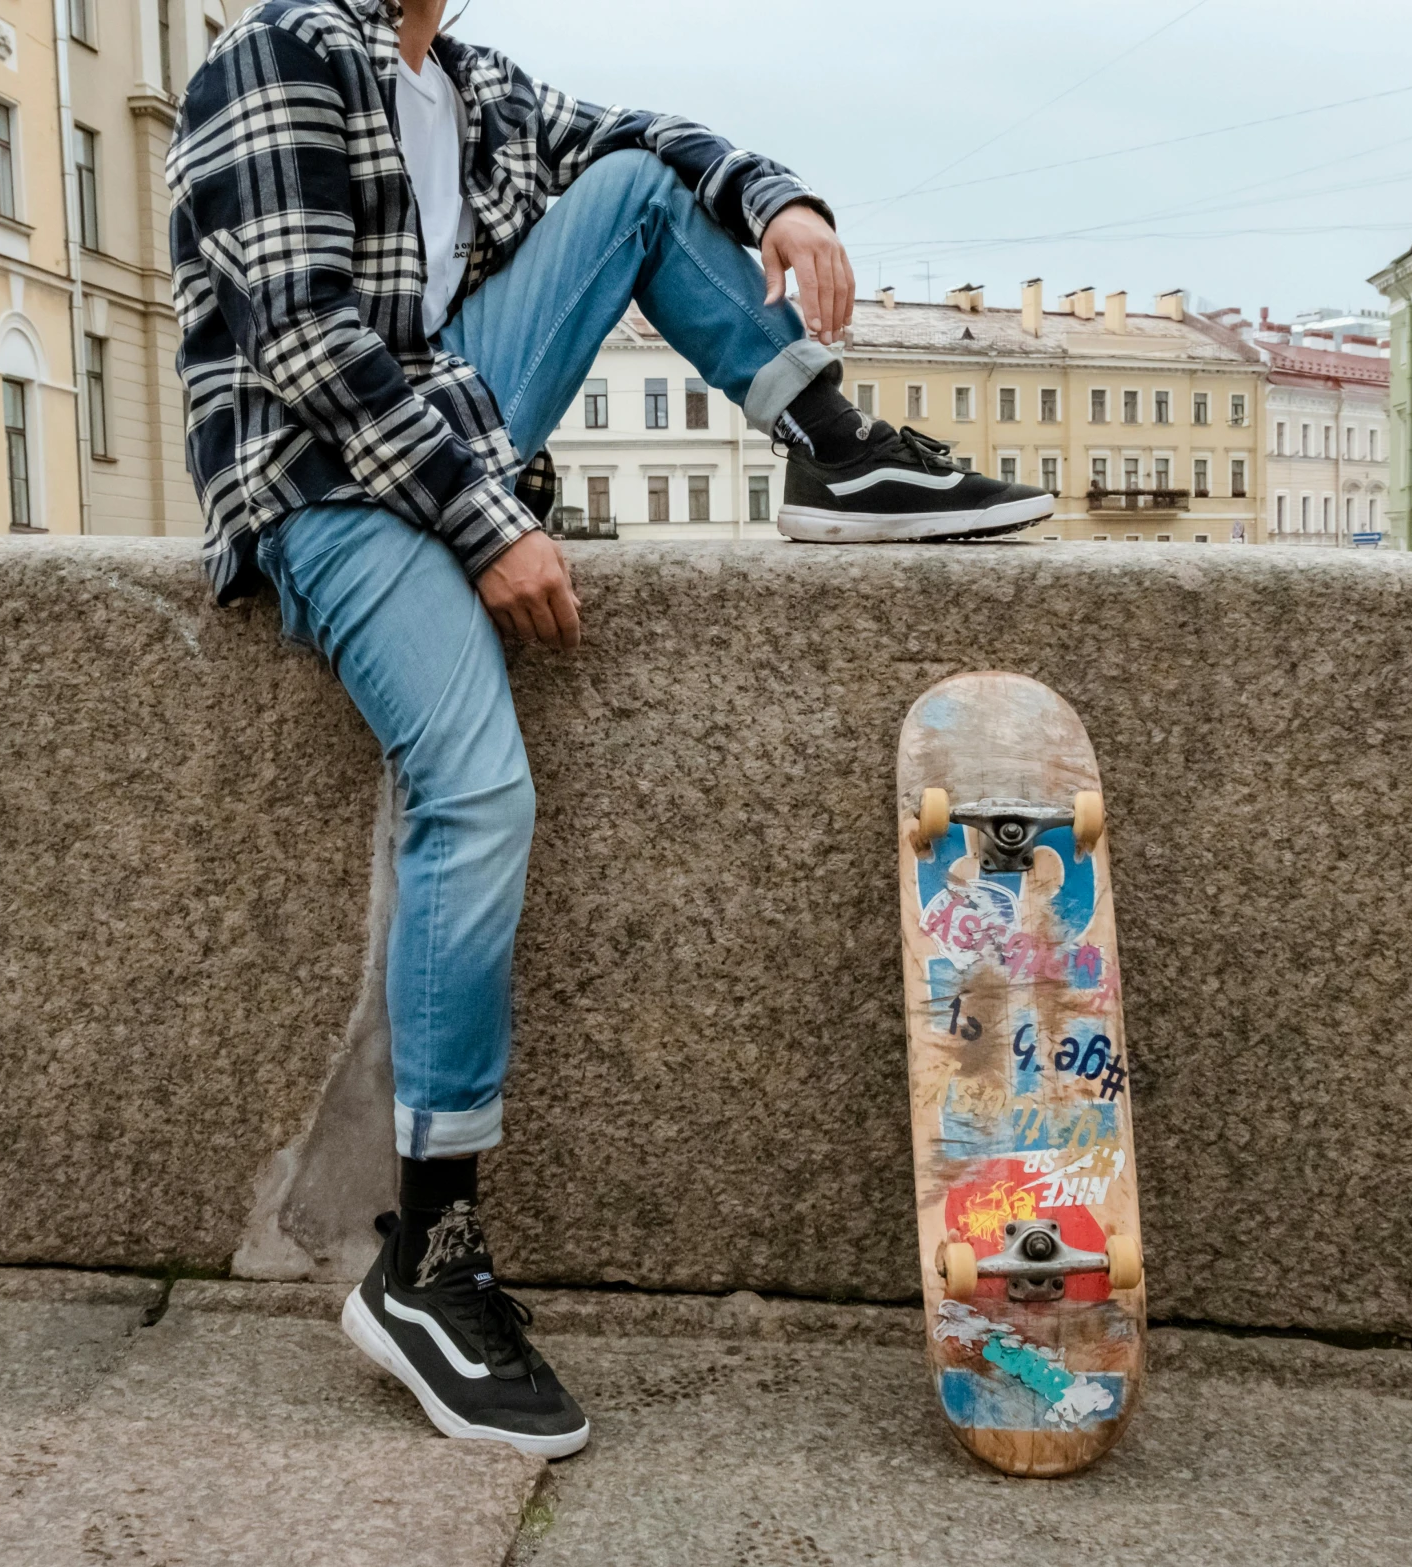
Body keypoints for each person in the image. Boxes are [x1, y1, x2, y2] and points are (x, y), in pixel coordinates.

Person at [167, 0, 1055, 1460]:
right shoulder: (279, 49)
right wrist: (486, 515)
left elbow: (638, 143)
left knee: (640, 191)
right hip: (321, 480)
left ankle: (836, 453)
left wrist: (778, 197)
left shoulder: (470, 83)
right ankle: (428, 1261)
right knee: (477, 791)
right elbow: (307, 339)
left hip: (447, 420)